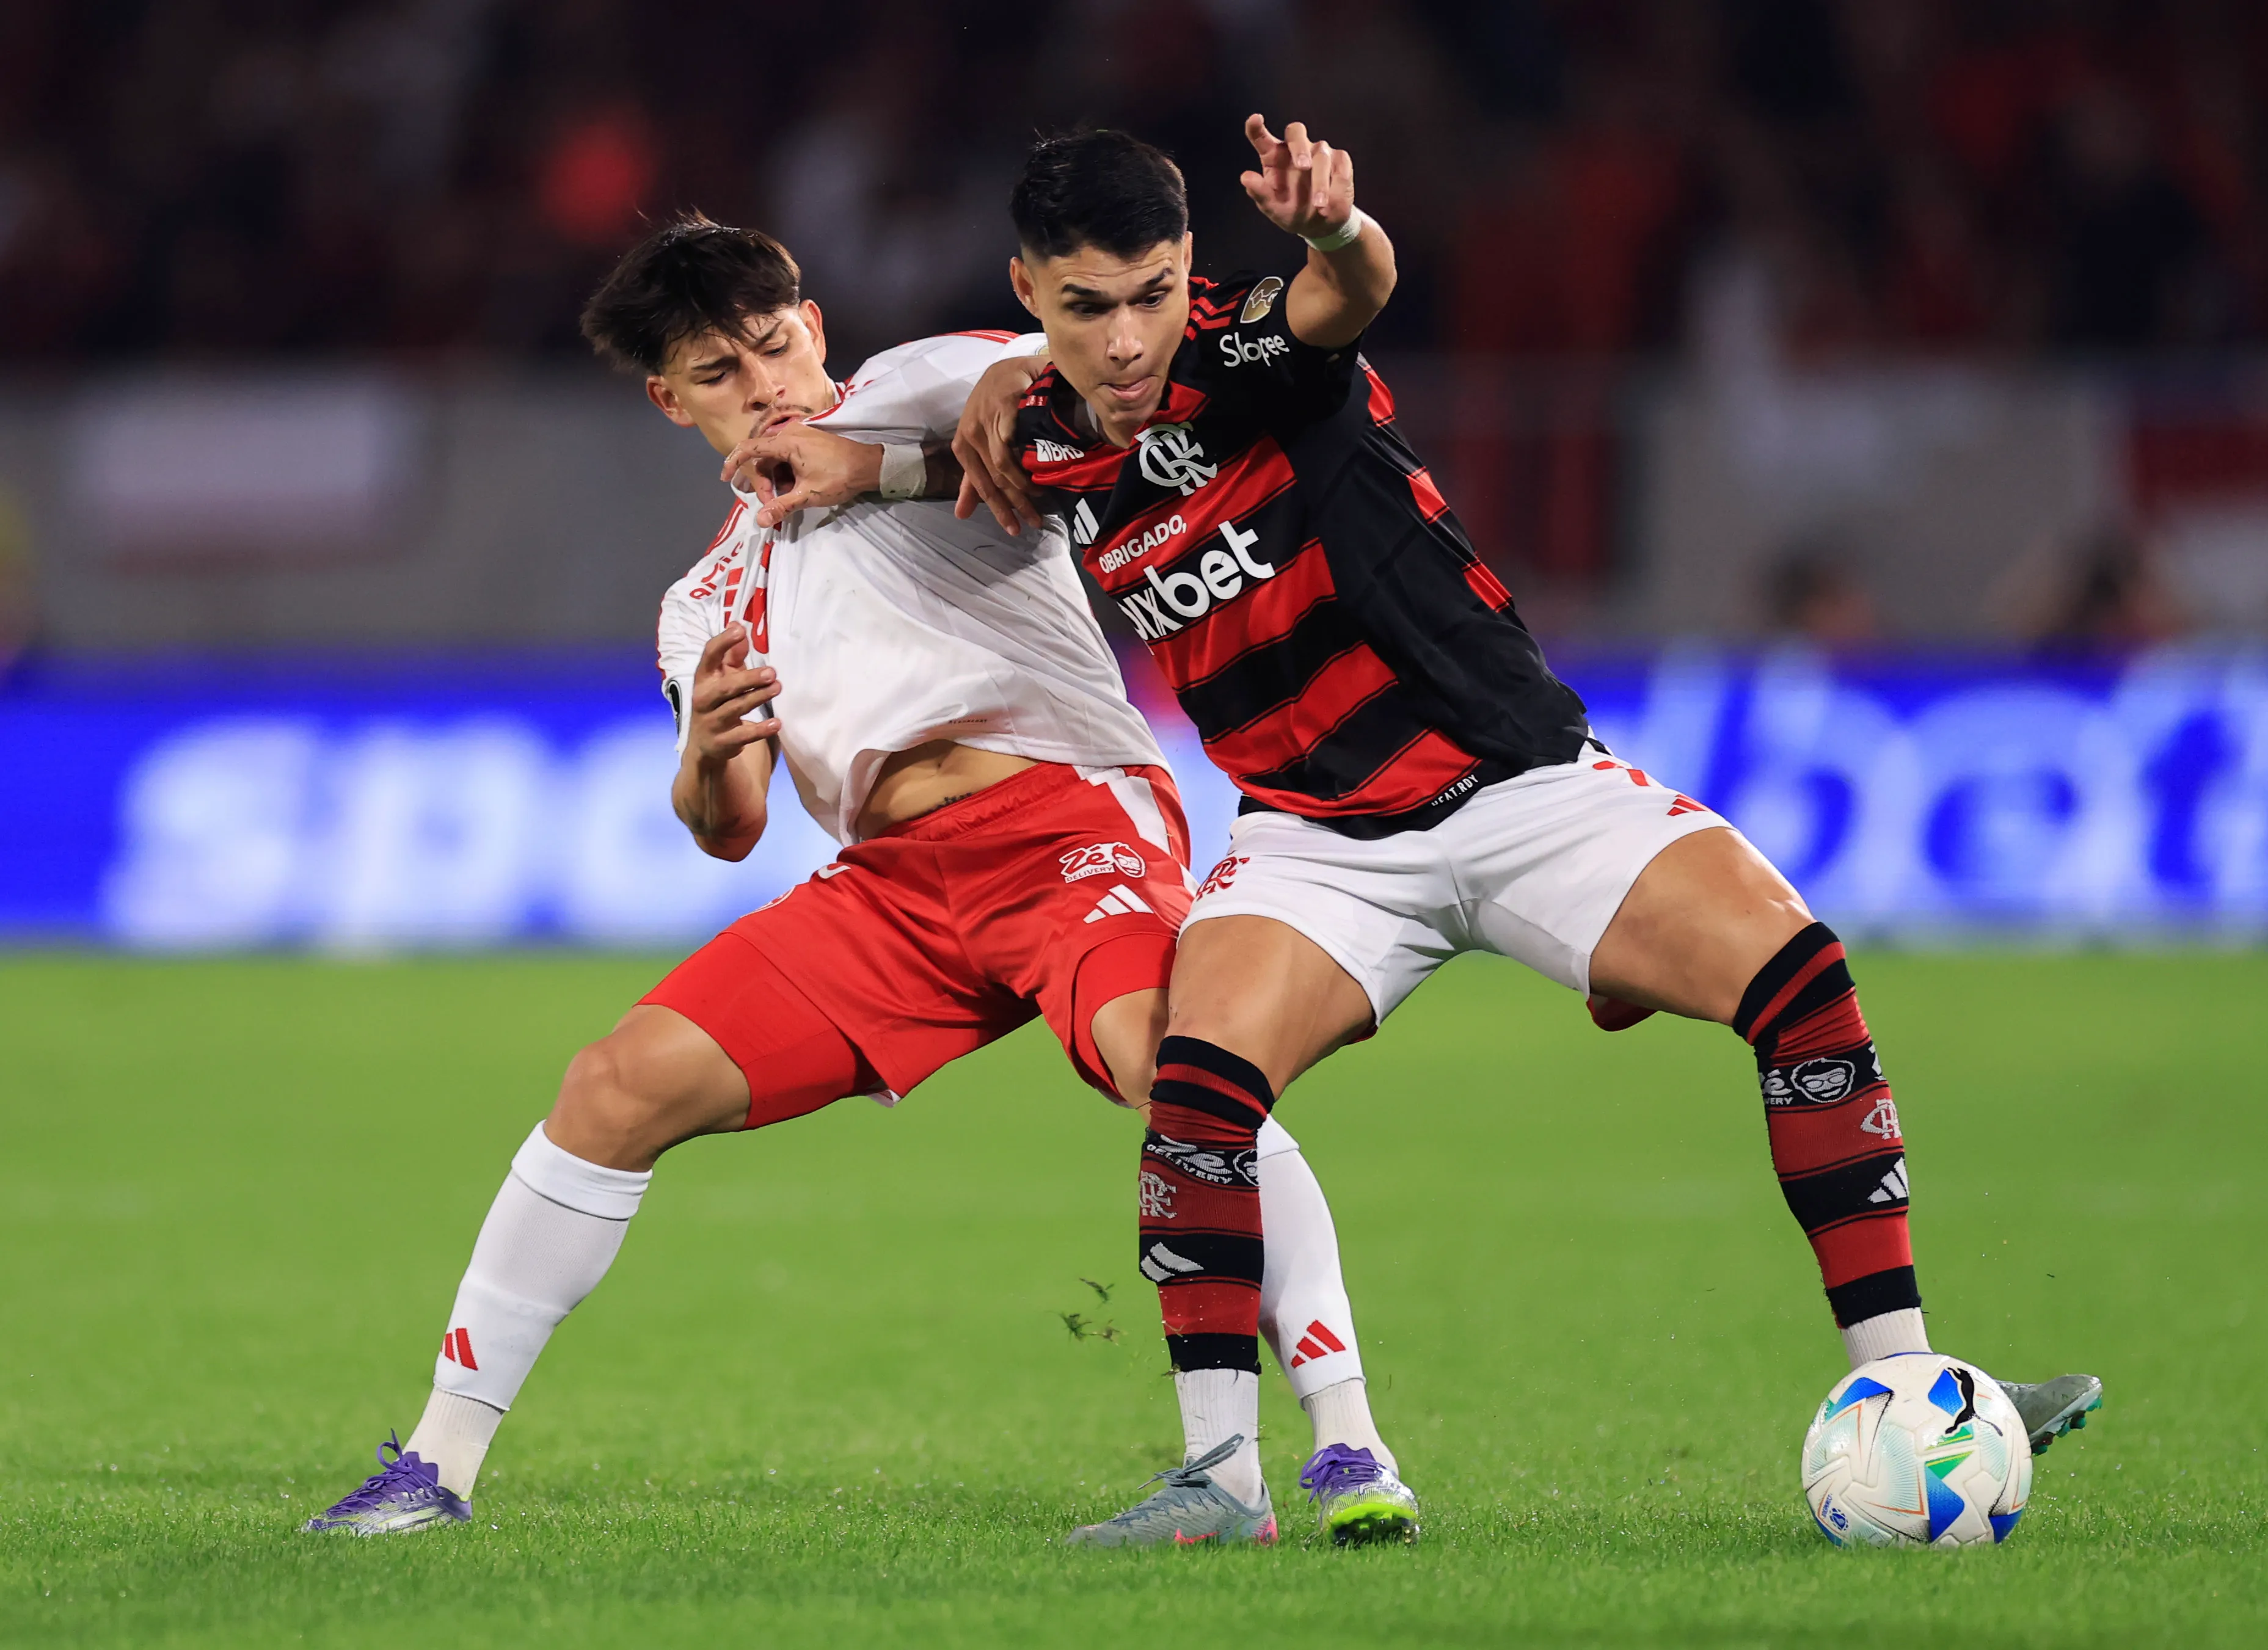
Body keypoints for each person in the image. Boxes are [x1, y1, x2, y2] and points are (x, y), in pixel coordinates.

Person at [948, 121, 2104, 1546]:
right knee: (1196, 1093)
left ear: (1190, 274)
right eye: (1083, 309)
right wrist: (866, 458)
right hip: (1313, 839)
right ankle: (1220, 1475)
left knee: (1803, 986)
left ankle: (1903, 1387)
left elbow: (1345, 294)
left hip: (1517, 784)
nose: (1125, 342)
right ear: (1027, 291)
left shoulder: (1243, 351)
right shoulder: (1038, 436)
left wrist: (1332, 231)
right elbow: (930, 448)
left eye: (1152, 294)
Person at [303, 214, 1420, 1546]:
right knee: (612, 1086)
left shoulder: (918, 385)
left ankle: (1340, 1445)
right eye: (718, 374)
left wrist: (1016, 381)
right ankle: (433, 1466)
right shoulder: (704, 596)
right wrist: (707, 752)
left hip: (1065, 826)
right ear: (669, 402)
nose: (763, 384)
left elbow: (1086, 381)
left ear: (815, 327)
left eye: (775, 346)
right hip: (890, 888)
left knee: (1178, 1074)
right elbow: (725, 827)